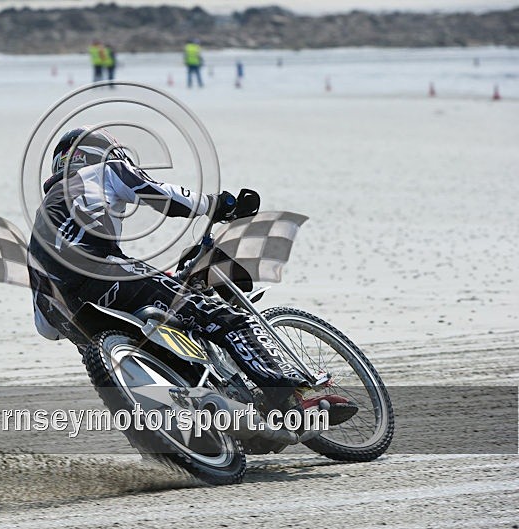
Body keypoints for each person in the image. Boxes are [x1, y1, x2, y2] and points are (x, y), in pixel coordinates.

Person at [27, 127, 358, 422]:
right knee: (229, 321)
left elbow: (46, 329)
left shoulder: (40, 229)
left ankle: (197, 414)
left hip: (73, 319)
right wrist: (218, 204)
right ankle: (289, 399)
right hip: (108, 272)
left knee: (164, 328)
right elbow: (156, 192)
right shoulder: (102, 171)